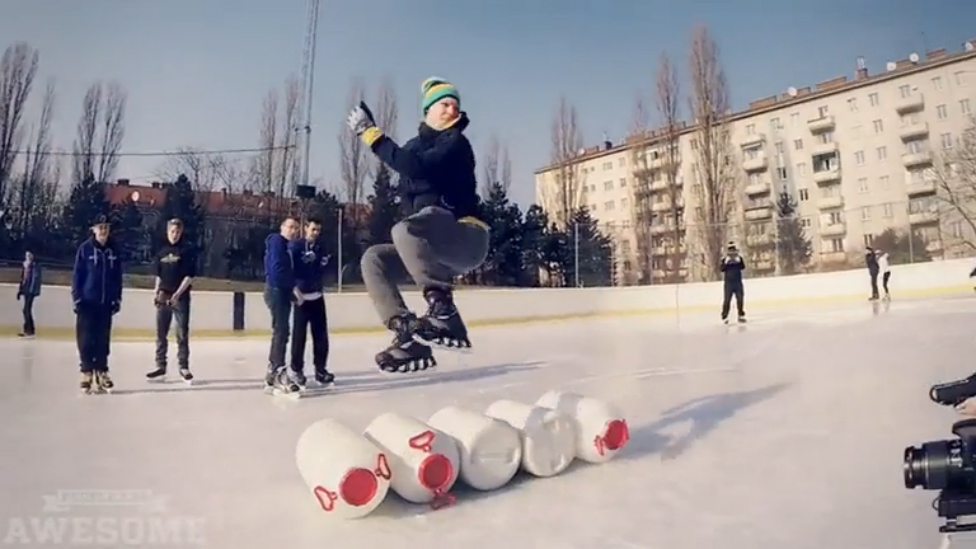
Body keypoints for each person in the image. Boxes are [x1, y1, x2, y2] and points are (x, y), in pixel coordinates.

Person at [346, 76, 489, 374]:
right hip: (433, 245)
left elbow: (415, 166)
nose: (452, 111)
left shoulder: (455, 143)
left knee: (406, 228)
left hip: (466, 236)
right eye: (445, 104)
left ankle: (444, 312)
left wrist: (372, 135)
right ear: (428, 110)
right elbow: (407, 168)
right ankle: (408, 333)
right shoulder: (412, 147)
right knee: (374, 258)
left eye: (456, 106)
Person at [71, 216, 123, 393]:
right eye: (100, 228)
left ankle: (101, 370)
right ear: (94, 229)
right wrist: (77, 298)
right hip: (87, 302)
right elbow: (78, 275)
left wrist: (117, 298)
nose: (103, 231)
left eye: (106, 228)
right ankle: (86, 371)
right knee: (85, 339)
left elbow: (118, 277)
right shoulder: (85, 249)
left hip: (106, 302)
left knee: (102, 339)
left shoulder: (113, 251)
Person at [147, 218, 196, 383]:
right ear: (167, 232)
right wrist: (156, 292)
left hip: (180, 297)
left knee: (181, 333)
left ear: (181, 232)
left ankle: (184, 366)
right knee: (161, 333)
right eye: (172, 231)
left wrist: (177, 294)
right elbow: (159, 275)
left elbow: (189, 276)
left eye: (177, 232)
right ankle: (160, 365)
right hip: (164, 296)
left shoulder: (186, 251)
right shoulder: (161, 252)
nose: (174, 235)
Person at [288, 218, 334, 387]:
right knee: (299, 337)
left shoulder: (321, 248)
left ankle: (321, 370)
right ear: (305, 228)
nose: (316, 233)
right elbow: (289, 270)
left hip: (317, 297)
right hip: (301, 298)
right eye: (313, 229)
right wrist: (294, 290)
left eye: (318, 230)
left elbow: (324, 268)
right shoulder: (295, 247)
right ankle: (297, 370)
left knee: (321, 336)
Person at [264, 217, 301, 392]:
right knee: (281, 331)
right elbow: (277, 270)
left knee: (282, 331)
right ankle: (278, 371)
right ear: (282, 227)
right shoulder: (278, 242)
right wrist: (294, 288)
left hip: (281, 292)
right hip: (276, 291)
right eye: (290, 227)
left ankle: (273, 371)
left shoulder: (286, 246)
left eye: (296, 228)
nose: (293, 231)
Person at [16, 250, 42, 338]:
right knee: (26, 310)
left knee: (26, 309)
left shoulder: (35, 266)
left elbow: (35, 279)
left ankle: (30, 330)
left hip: (30, 291)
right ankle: (28, 330)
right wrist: (20, 291)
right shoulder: (25, 264)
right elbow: (23, 278)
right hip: (26, 290)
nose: (28, 256)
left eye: (30, 255)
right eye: (27, 255)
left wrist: (31, 290)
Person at [720, 243, 746, 324]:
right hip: (729, 283)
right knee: (727, 300)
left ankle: (741, 315)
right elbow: (722, 269)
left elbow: (743, 267)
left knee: (740, 299)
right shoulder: (725, 259)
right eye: (730, 250)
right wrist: (726, 263)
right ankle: (725, 316)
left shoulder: (739, 258)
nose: (732, 252)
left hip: (738, 282)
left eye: (733, 250)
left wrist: (739, 261)